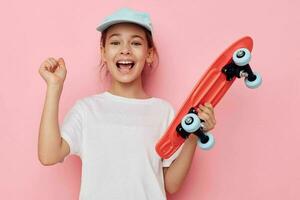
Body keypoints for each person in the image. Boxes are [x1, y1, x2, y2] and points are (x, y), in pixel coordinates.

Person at [38, 7, 216, 200]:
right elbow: (49, 155)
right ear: (103, 53)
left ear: (149, 54)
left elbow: (171, 185)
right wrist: (54, 87)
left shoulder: (163, 112)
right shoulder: (86, 110)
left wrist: (193, 136)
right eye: (115, 42)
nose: (125, 49)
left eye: (136, 43)